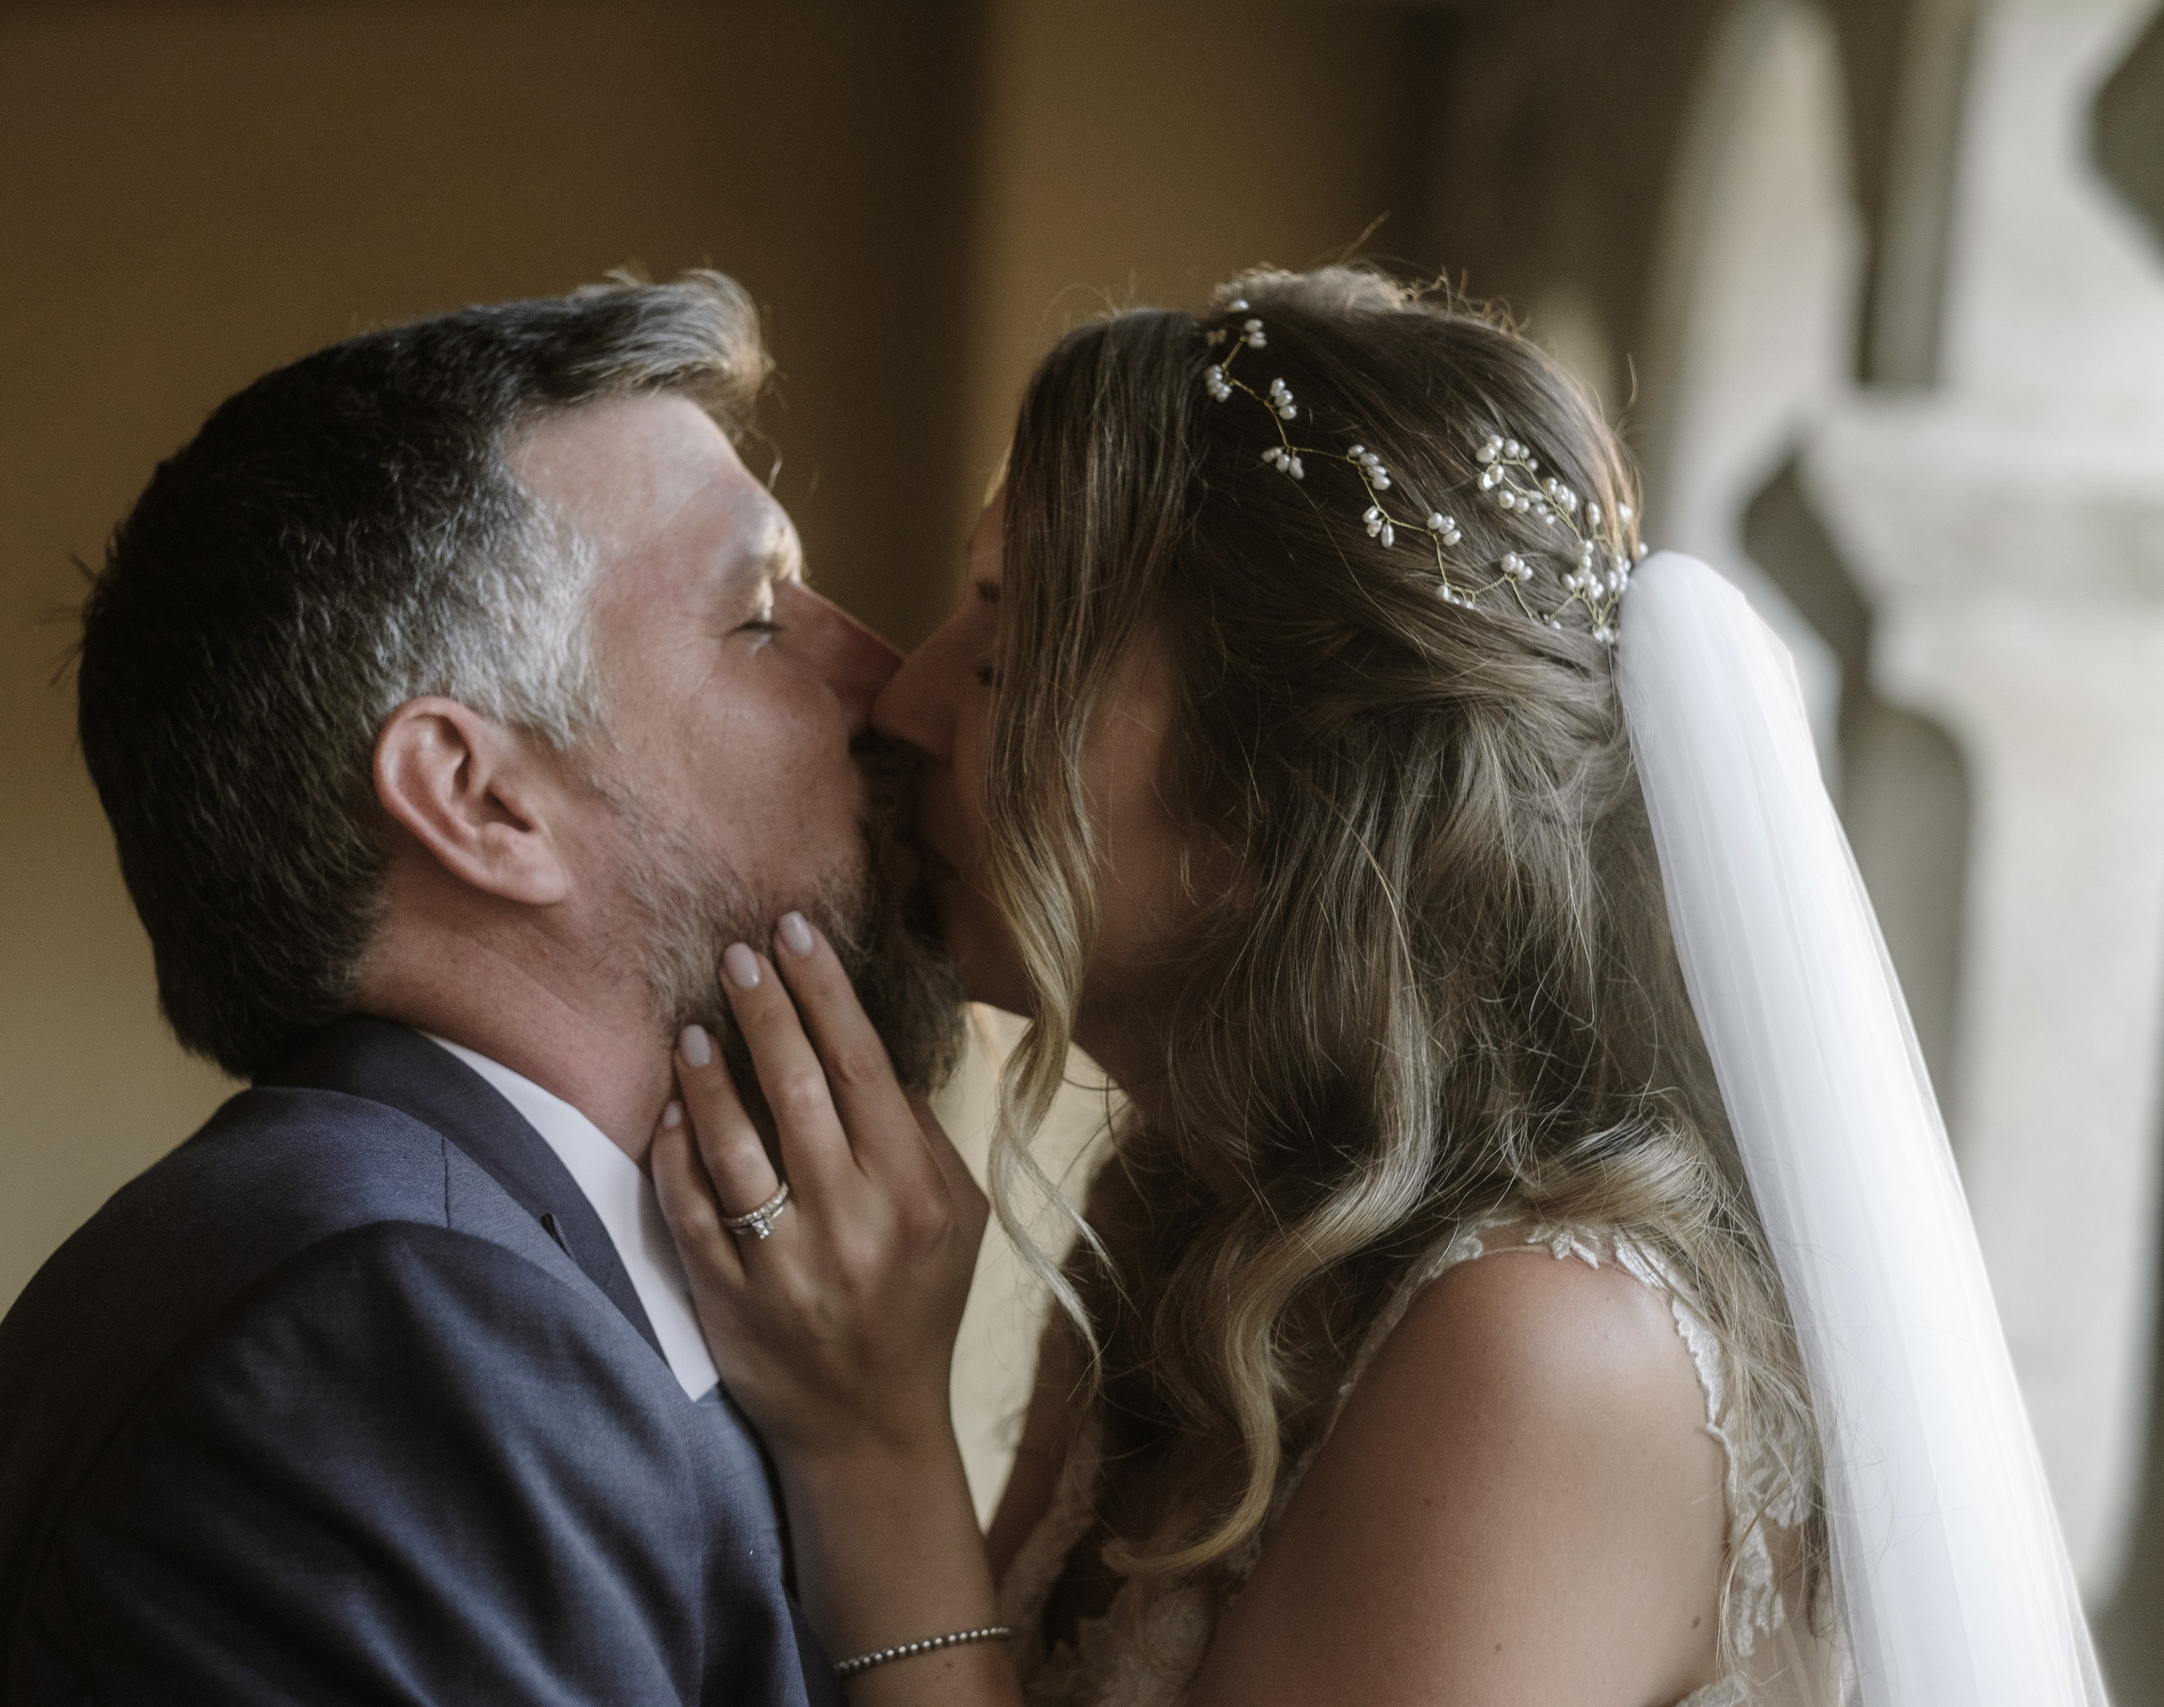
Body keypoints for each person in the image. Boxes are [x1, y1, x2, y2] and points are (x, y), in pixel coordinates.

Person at [652, 266, 2108, 1706]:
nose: (904, 700)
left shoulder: (1546, 1351)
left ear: (1285, 785)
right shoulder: (1179, 1222)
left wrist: (874, 1448)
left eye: (1009, 648)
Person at [0, 272, 965, 1706]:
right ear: (479, 800)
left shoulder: (470, 1275)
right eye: (758, 615)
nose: (884, 676)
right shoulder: (402, 1329)